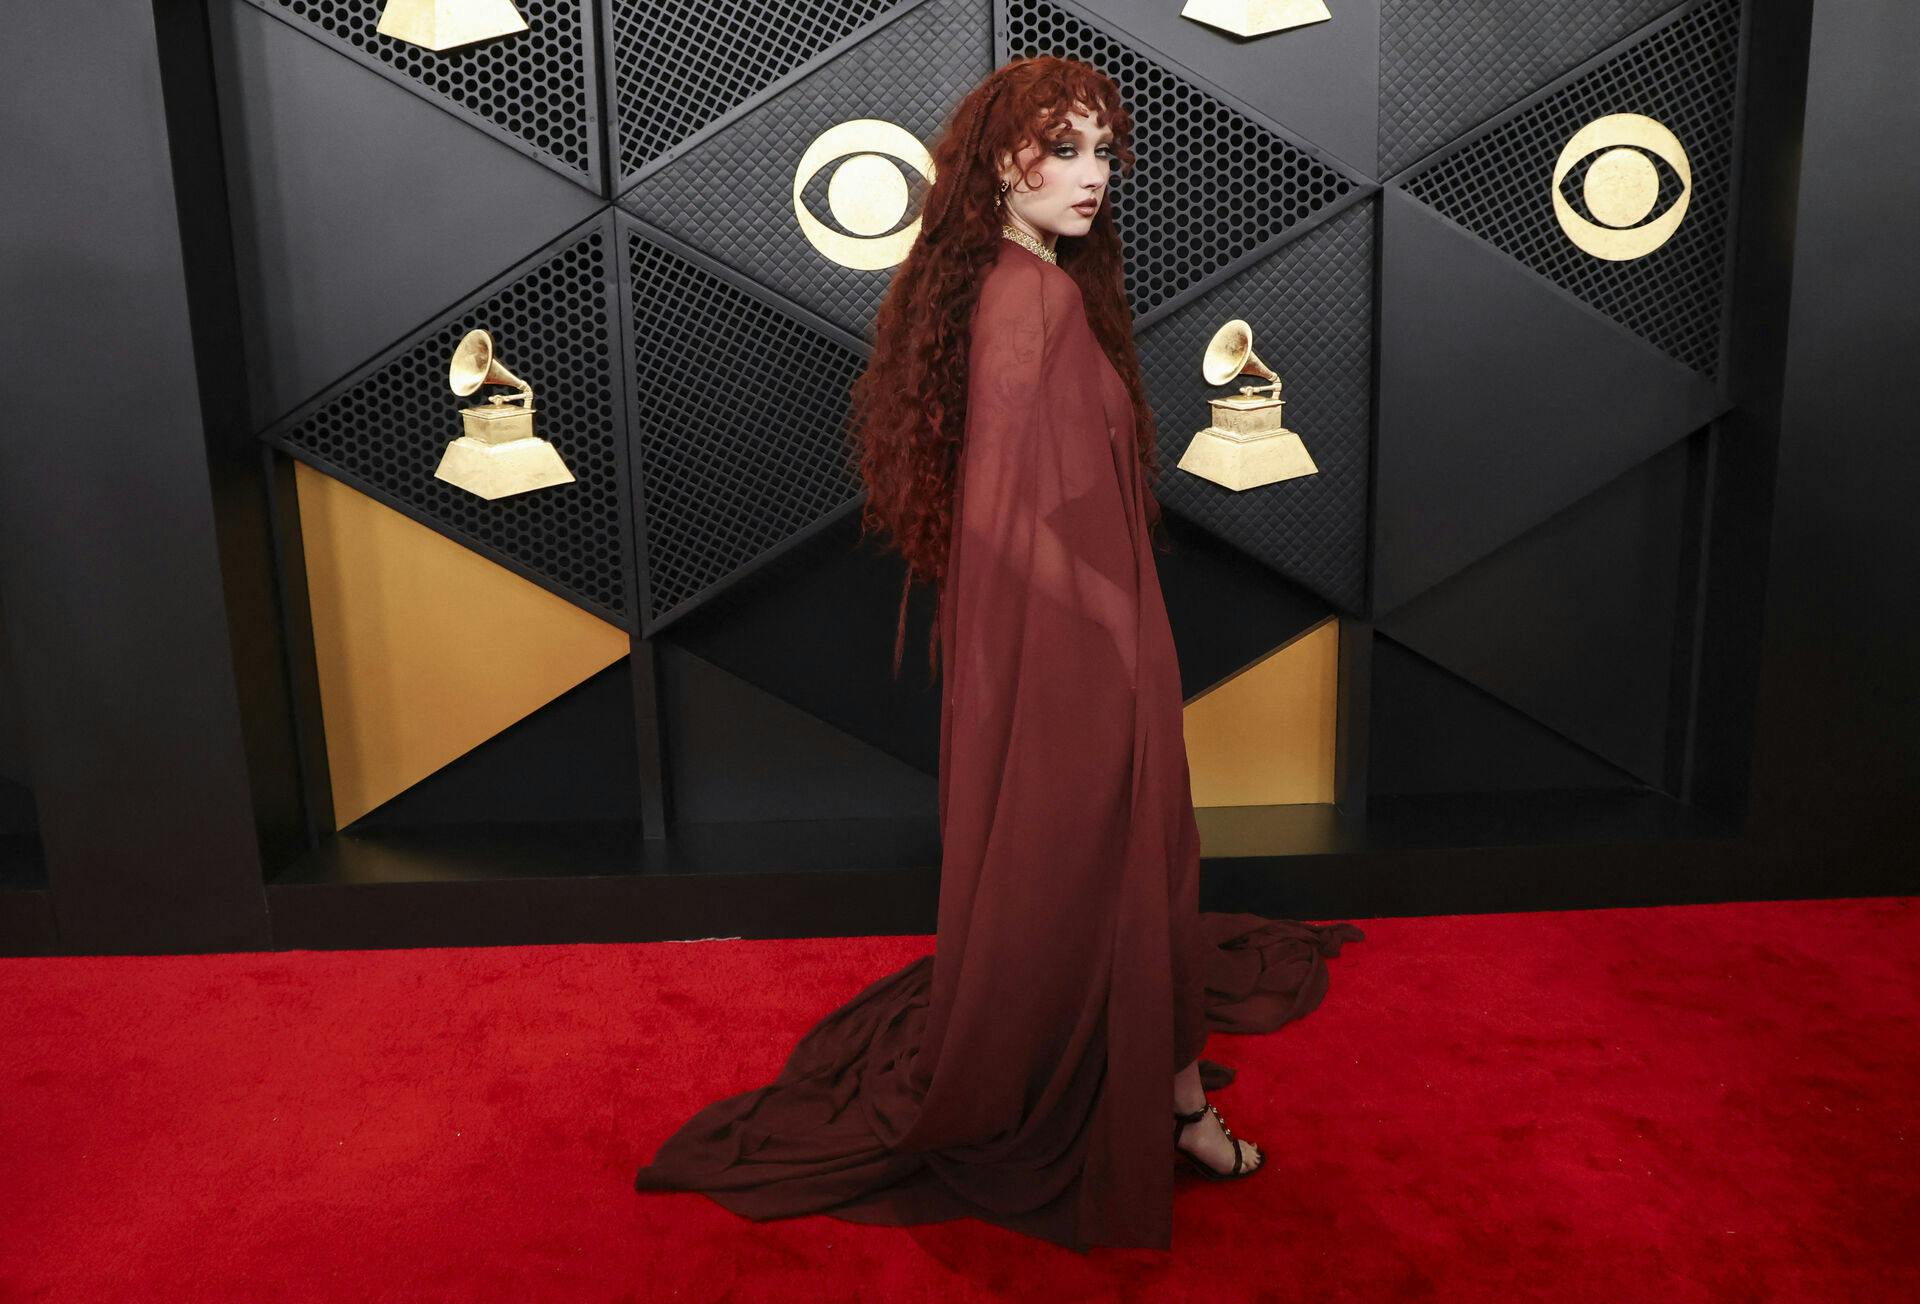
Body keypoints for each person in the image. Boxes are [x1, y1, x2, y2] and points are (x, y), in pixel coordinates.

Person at [633, 55, 1363, 1253]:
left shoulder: (1014, 283)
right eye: (1063, 150)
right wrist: (1118, 626)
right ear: (997, 166)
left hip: (1056, 626)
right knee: (1129, 854)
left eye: (1102, 153)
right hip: (1074, 635)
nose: (1091, 176)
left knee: (1126, 856)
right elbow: (1000, 516)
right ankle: (1169, 1103)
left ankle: (1173, 1091)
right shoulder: (1037, 300)